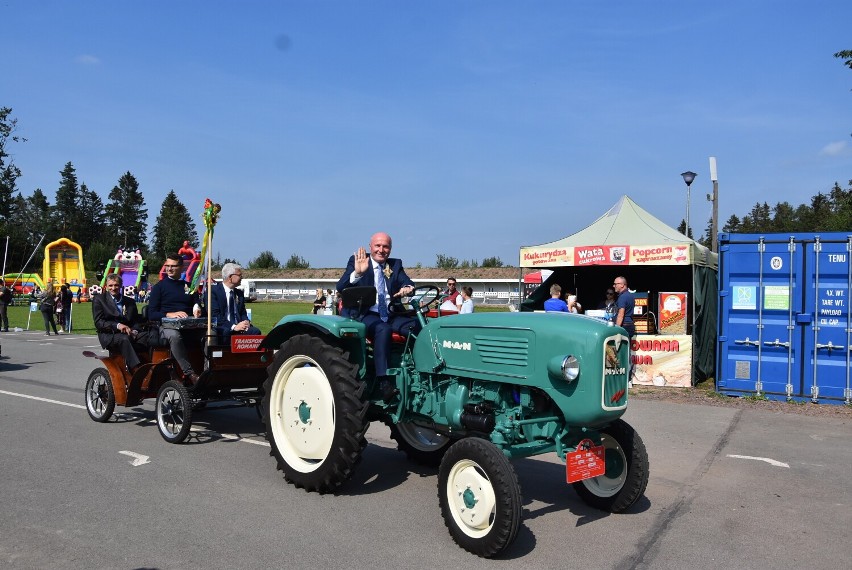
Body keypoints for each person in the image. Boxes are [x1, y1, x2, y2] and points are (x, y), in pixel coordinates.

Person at [336, 232, 417, 392]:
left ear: (390, 249)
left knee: (419, 326)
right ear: (370, 247)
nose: (381, 250)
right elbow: (341, 287)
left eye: (385, 246)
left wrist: (408, 288)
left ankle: (418, 368)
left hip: (390, 313)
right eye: (378, 246)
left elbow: (408, 283)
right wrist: (358, 273)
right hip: (364, 313)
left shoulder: (395, 265)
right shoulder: (358, 261)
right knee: (382, 329)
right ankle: (383, 380)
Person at [147, 252, 203, 383]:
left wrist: (197, 307)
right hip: (165, 326)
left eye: (173, 266)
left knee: (210, 334)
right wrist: (168, 314)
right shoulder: (159, 287)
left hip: (189, 325)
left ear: (181, 267)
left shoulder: (189, 287)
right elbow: (152, 313)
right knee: (174, 336)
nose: (169, 269)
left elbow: (197, 303)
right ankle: (189, 373)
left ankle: (207, 369)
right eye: (167, 266)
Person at [93, 274, 155, 374]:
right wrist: (118, 326)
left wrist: (135, 330)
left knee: (149, 336)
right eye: (111, 286)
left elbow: (135, 321)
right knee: (124, 339)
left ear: (121, 286)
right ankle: (136, 368)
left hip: (129, 332)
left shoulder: (129, 301)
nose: (113, 288)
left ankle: (151, 365)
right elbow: (99, 323)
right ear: (106, 286)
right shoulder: (99, 300)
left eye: (116, 285)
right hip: (109, 335)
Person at [209, 262, 261, 344]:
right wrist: (233, 327)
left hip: (240, 327)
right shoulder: (212, 292)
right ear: (230, 277)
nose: (242, 278)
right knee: (226, 332)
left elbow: (243, 312)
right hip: (223, 327)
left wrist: (246, 321)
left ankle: (249, 356)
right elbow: (215, 316)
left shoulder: (239, 293)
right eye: (240, 275)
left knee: (255, 331)